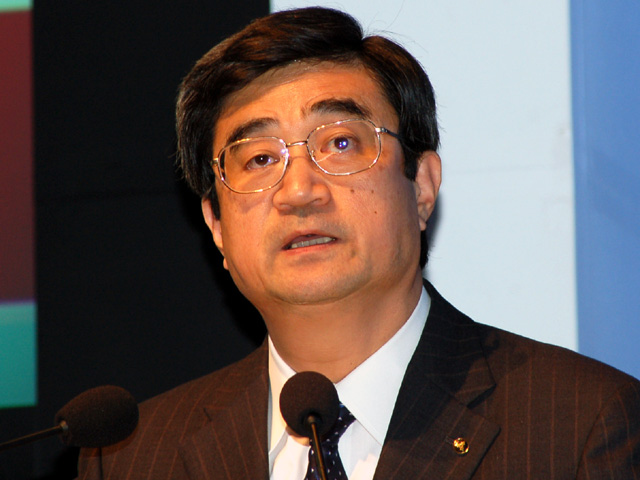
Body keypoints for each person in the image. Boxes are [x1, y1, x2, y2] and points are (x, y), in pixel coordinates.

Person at [77, 7, 640, 479]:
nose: (299, 192)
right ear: (217, 226)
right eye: (261, 158)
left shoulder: (581, 425)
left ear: (422, 187)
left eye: (341, 143)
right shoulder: (131, 458)